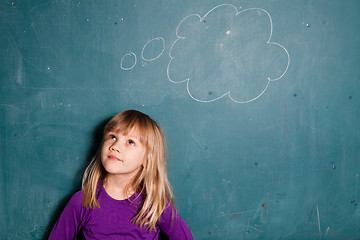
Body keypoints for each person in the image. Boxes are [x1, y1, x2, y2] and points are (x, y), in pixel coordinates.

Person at [49, 110, 193, 239]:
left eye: (130, 142)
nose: (115, 146)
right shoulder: (83, 201)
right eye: (112, 136)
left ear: (147, 160)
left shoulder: (156, 205)